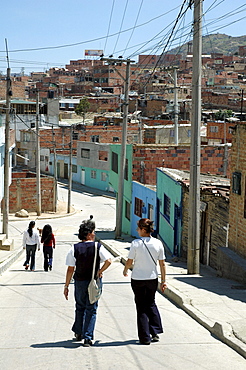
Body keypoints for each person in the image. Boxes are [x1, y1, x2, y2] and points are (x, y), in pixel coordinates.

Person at [64, 219, 111, 347]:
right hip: (93, 282)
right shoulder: (97, 247)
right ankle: (88, 337)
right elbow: (109, 261)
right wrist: (99, 271)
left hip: (79, 282)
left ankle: (78, 332)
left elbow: (70, 269)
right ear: (89, 234)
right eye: (93, 232)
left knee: (80, 306)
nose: (94, 234)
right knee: (91, 308)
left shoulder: (74, 248)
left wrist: (66, 285)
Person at [123, 218, 167, 345]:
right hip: (152, 278)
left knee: (141, 307)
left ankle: (144, 337)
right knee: (151, 303)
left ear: (143, 230)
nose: (137, 231)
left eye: (138, 229)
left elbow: (130, 261)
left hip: (137, 279)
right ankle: (155, 331)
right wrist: (163, 280)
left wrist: (125, 269)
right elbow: (162, 264)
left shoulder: (135, 243)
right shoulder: (158, 243)